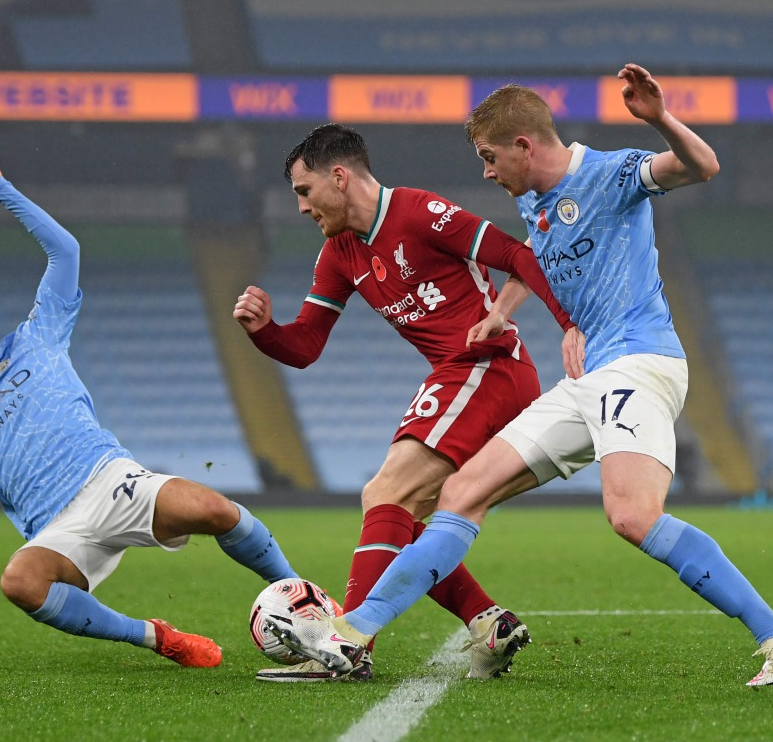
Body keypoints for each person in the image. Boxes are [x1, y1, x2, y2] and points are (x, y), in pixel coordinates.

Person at [269, 64, 773, 688]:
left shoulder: (612, 175)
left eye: (488, 157)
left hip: (638, 362)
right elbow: (525, 266)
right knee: (460, 493)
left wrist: (661, 119)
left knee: (632, 516)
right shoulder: (534, 204)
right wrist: (502, 312)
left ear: (522, 146)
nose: (485, 171)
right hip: (587, 381)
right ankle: (363, 626)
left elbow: (701, 167)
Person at [0, 142, 299, 669]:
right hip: (60, 531)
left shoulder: (37, 337)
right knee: (19, 581)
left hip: (111, 481)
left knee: (216, 510)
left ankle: (305, 600)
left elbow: (65, 251)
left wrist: (0, 188)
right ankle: (155, 637)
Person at [233, 123, 580, 682]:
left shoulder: (419, 212)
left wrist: (570, 326)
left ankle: (347, 639)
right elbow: (305, 346)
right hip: (459, 375)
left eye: (304, 191)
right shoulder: (340, 253)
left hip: (489, 368)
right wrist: (264, 330)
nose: (301, 207)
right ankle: (487, 622)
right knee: (404, 515)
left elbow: (518, 254)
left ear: (339, 177)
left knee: (386, 492)